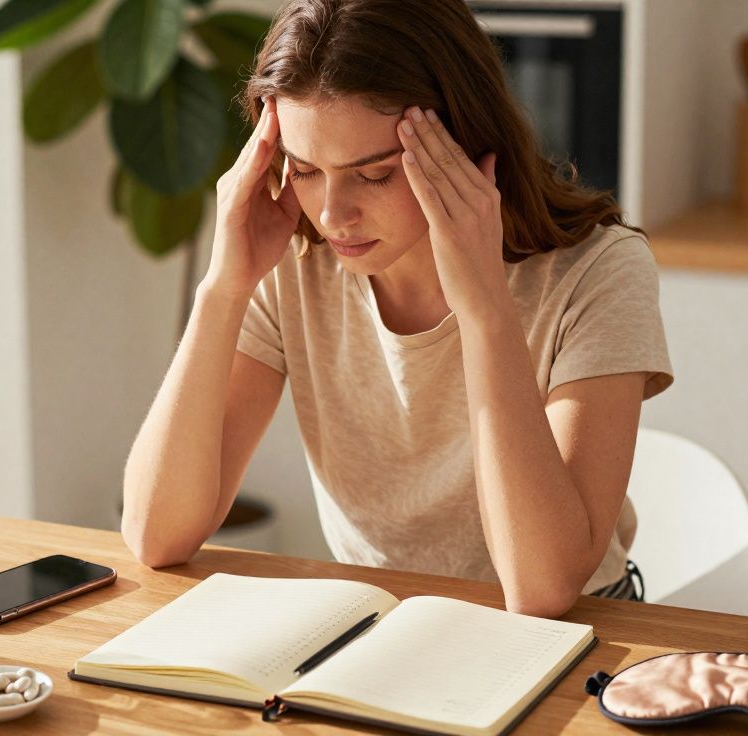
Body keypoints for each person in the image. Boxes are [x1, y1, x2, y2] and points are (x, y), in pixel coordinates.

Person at [120, 0, 673, 618]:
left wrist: (486, 308)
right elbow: (155, 535)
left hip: (573, 634)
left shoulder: (597, 270)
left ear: (463, 143)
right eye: (304, 169)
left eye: (376, 175)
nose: (332, 215)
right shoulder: (294, 261)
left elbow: (541, 588)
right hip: (381, 625)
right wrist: (223, 286)